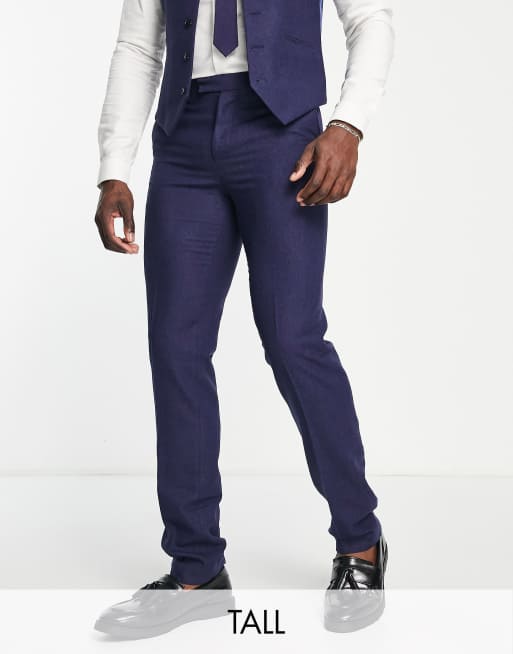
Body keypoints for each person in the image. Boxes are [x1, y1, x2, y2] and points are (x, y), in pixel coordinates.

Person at [93, 0, 395, 636]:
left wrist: (348, 124)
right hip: (184, 140)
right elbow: (139, 46)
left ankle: (359, 539)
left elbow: (370, 18)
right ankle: (196, 569)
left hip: (282, 133)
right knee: (175, 349)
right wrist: (114, 169)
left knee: (292, 339)